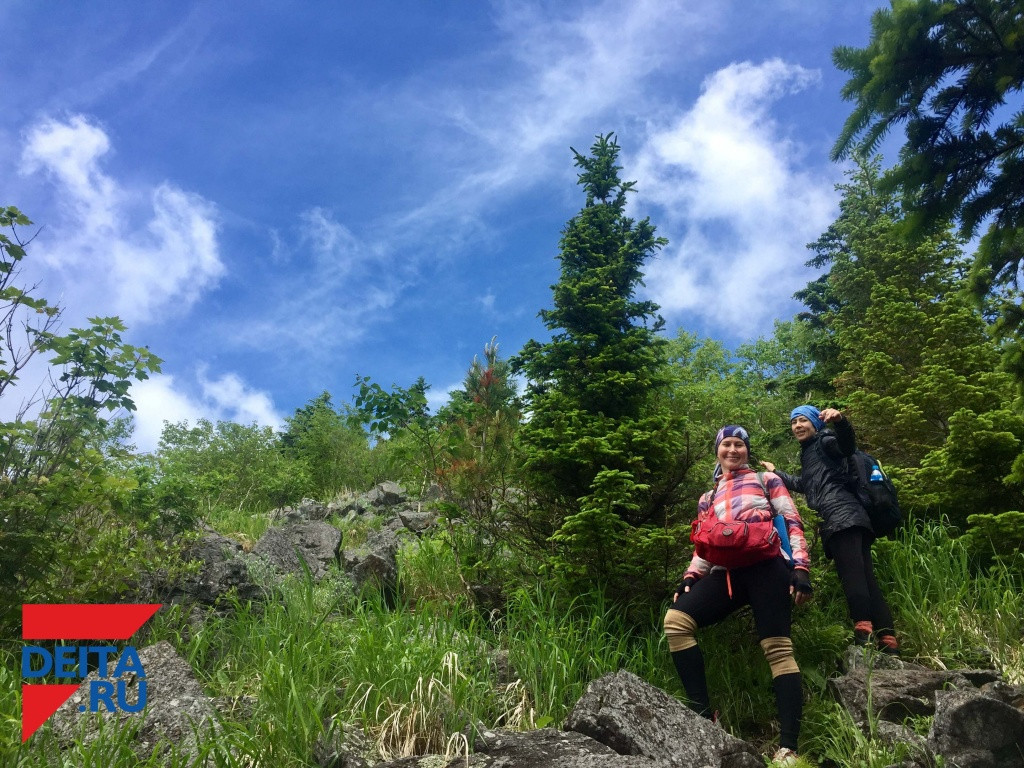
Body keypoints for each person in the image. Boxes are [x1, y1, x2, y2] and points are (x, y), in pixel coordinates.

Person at [664, 425, 812, 767]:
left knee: (777, 648)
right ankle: (703, 719)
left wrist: (801, 568)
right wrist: (689, 577)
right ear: (717, 451)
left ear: (747, 450)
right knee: (676, 621)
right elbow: (705, 545)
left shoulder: (765, 480)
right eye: (726, 445)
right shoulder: (708, 497)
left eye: (739, 445)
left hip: (767, 568)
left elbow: (792, 522)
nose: (733, 450)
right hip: (725, 574)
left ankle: (789, 748)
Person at [762, 405, 899, 654]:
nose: (797, 426)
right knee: (867, 578)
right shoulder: (811, 454)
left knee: (852, 576)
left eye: (803, 420)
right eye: (794, 422)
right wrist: (775, 473)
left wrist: (841, 421)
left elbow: (846, 446)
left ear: (816, 424)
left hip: (841, 518)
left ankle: (864, 634)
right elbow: (805, 484)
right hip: (853, 519)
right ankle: (888, 640)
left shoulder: (825, 441)